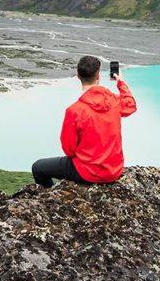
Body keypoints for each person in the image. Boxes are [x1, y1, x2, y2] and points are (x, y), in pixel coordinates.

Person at [32, 55, 137, 188]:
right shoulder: (114, 101)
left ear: (78, 75)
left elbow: (69, 150)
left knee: (38, 168)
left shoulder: (74, 110)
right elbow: (131, 105)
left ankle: (51, 195)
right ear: (98, 76)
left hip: (87, 173)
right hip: (113, 171)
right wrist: (120, 82)